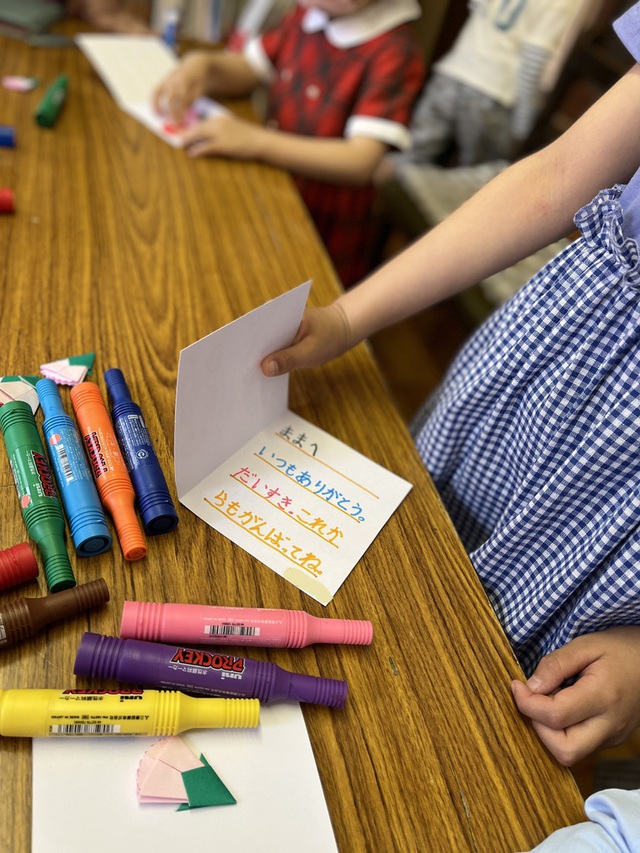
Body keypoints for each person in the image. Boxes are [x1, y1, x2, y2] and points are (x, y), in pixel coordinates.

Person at [260, 1, 640, 768]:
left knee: (472, 697)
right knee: (399, 545)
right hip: (543, 359)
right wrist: (345, 317)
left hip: (613, 515)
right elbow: (559, 174)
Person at [152, 0, 426, 287]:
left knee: (299, 293)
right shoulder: (310, 13)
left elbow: (361, 161)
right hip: (275, 188)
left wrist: (256, 142)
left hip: (322, 221)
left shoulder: (394, 51)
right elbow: (250, 69)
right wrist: (202, 65)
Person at [378, 0, 587, 181]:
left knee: (410, 157)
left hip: (453, 71)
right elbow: (534, 58)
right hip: (495, 92)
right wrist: (524, 123)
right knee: (473, 182)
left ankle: (369, 209)